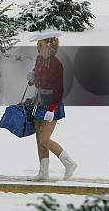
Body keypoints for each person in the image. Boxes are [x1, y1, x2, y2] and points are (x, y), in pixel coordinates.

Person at [27, 31, 77, 181]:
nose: (38, 48)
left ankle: (69, 163)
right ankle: (43, 172)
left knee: (44, 139)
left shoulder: (57, 64)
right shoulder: (39, 59)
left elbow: (59, 90)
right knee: (38, 138)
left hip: (51, 103)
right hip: (39, 101)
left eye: (40, 45)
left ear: (49, 46)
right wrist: (32, 78)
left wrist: (52, 109)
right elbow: (37, 80)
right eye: (37, 45)